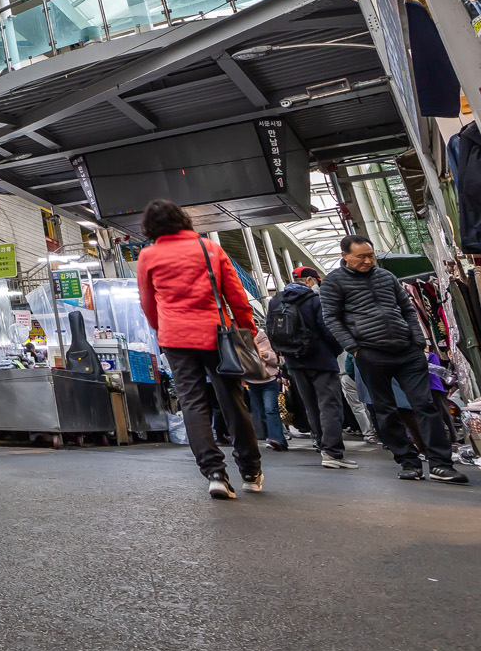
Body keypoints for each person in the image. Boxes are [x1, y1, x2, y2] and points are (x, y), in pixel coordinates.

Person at [136, 199, 263, 499]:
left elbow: (147, 303)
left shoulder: (148, 256)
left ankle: (215, 473)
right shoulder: (209, 248)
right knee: (231, 400)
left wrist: (162, 328)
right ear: (183, 219)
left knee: (193, 403)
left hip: (175, 339)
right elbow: (236, 296)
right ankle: (250, 469)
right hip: (216, 335)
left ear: (150, 228)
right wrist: (248, 331)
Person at [318, 235, 470, 485]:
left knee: (425, 405)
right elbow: (332, 318)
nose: (368, 261)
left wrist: (418, 340)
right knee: (386, 410)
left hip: (407, 351)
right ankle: (408, 462)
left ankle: (440, 464)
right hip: (370, 353)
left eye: (370, 256)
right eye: (361, 257)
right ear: (345, 255)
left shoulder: (385, 277)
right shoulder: (333, 282)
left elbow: (407, 308)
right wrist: (354, 348)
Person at [273, 266, 359, 469]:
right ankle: (332, 452)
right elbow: (328, 329)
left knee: (311, 405)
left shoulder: (276, 301)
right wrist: (335, 351)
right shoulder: (314, 300)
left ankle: (320, 444)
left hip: (294, 362)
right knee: (330, 406)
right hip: (321, 360)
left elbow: (272, 331)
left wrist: (286, 355)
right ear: (309, 281)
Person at [247, 322, 288, 451]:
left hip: (268, 380)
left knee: (271, 409)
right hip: (252, 381)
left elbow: (279, 360)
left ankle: (277, 439)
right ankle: (270, 437)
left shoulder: (266, 338)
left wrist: (263, 354)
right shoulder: (241, 339)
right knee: (260, 411)